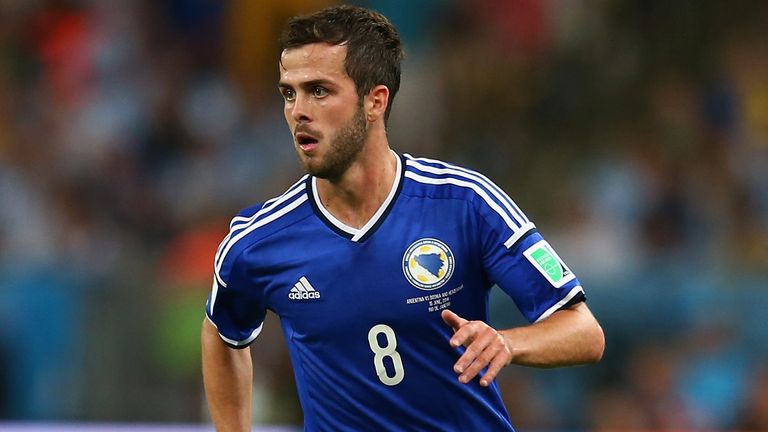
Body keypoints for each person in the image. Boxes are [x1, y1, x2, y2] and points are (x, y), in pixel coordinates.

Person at [201, 5, 605, 431]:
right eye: (289, 93)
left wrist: (506, 341)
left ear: (375, 101)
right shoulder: (259, 241)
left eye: (319, 91)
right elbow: (222, 334)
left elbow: (583, 331)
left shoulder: (464, 204)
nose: (298, 110)